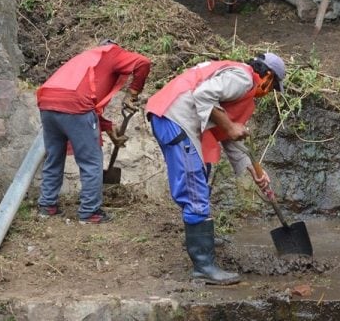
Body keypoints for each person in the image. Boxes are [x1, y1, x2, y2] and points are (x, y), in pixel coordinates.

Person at [145, 52, 286, 285]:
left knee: (200, 178)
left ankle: (202, 241)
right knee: (194, 189)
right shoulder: (243, 78)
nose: (268, 93)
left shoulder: (241, 89)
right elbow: (204, 94)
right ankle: (203, 266)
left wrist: (253, 171)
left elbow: (228, 136)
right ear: (267, 76)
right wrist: (230, 126)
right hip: (175, 118)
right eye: (272, 87)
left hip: (170, 116)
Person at [37, 39, 150, 224]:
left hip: (47, 101)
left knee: (53, 156)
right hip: (75, 105)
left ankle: (47, 205)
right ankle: (90, 212)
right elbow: (143, 63)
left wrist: (107, 128)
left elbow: (81, 100)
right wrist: (133, 93)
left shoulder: (85, 59)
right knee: (91, 161)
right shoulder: (112, 53)